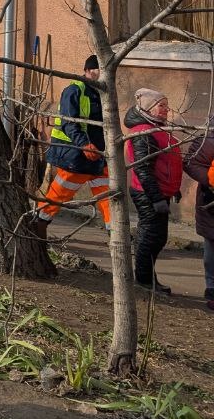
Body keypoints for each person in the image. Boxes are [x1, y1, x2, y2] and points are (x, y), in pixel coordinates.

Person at [34, 55, 111, 237]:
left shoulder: (103, 92)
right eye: (98, 69)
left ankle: (116, 234)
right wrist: (84, 145)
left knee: (109, 197)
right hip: (76, 155)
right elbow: (70, 122)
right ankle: (38, 225)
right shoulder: (75, 90)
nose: (102, 74)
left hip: (96, 155)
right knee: (60, 193)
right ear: (87, 71)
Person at [125, 88, 183, 293]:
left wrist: (173, 188)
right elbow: (142, 168)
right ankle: (144, 281)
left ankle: (146, 277)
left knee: (151, 236)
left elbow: (166, 162)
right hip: (148, 193)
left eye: (166, 105)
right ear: (149, 108)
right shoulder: (144, 132)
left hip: (158, 192)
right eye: (162, 106)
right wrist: (156, 198)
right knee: (152, 237)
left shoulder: (156, 128)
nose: (166, 110)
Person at [181, 115, 214, 312]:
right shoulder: (208, 140)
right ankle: (211, 287)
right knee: (212, 247)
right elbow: (191, 163)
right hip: (210, 203)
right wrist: (210, 182)